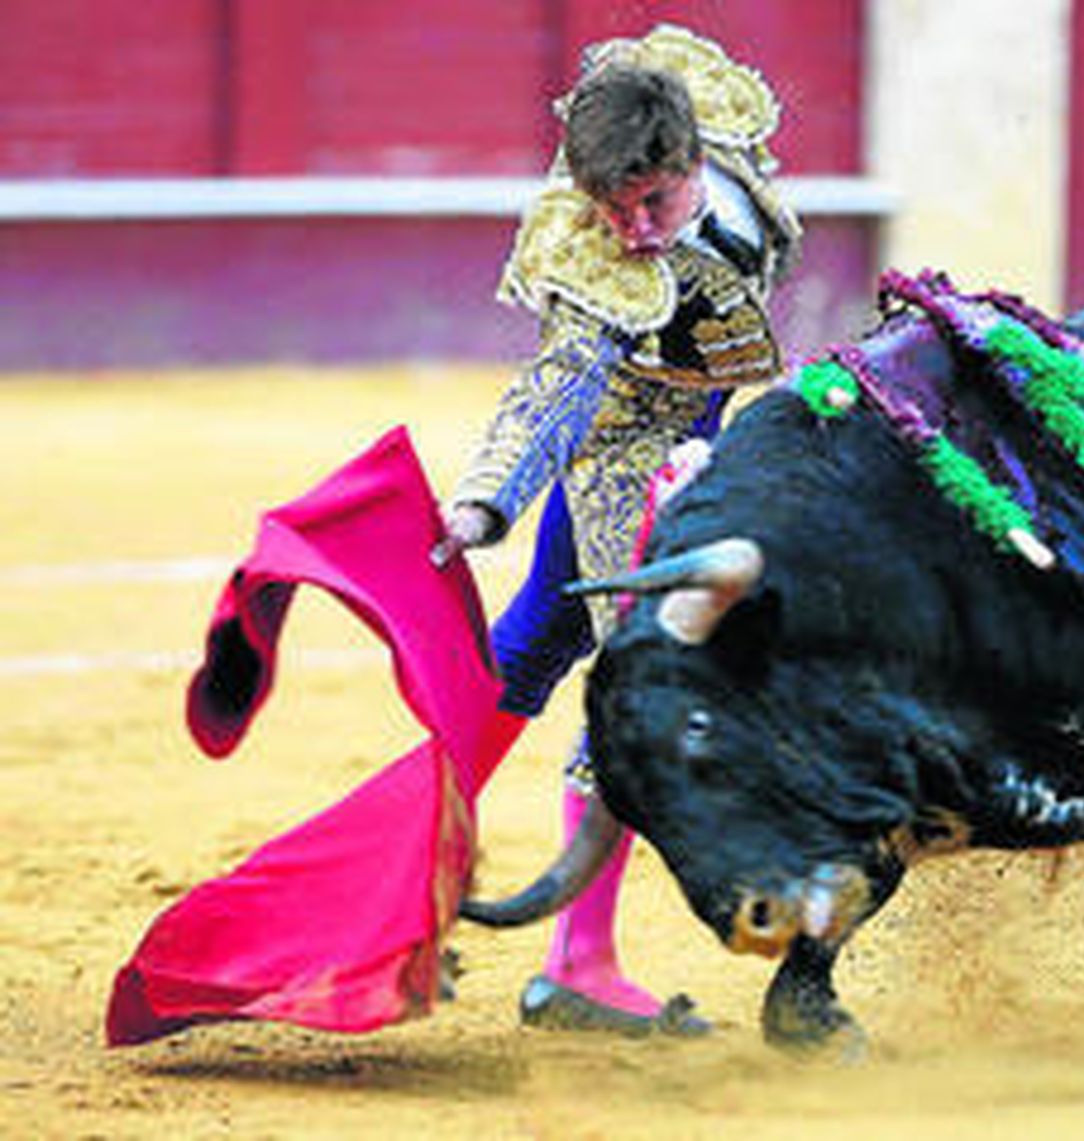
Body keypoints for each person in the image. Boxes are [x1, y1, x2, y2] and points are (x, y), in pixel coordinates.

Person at [431, 25, 802, 1036]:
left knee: (534, 639)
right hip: (627, 450)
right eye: (612, 210)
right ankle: (578, 960)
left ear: (691, 160)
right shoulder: (600, 257)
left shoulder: (694, 116)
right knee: (637, 672)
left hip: (700, 428)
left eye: (653, 203)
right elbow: (557, 392)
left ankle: (403, 891)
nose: (632, 230)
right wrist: (483, 499)